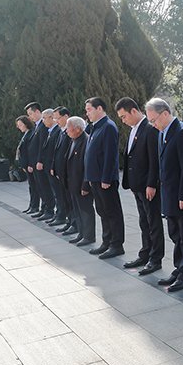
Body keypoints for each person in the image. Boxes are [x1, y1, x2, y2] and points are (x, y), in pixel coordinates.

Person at [148, 98, 183, 291]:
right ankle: (179, 268)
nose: (153, 124)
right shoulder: (162, 132)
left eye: (154, 120)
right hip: (169, 194)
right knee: (175, 235)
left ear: (165, 113)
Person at [116, 97, 164, 276]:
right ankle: (145, 254)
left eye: (124, 116)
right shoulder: (134, 129)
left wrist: (152, 183)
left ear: (134, 111)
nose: (123, 120)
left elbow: (154, 160)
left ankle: (155, 258)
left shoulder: (150, 129)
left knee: (153, 222)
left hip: (147, 186)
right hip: (137, 185)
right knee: (144, 221)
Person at [84, 97, 125, 259]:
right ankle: (106, 241)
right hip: (95, 178)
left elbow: (110, 155)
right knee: (102, 211)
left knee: (112, 212)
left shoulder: (108, 127)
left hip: (105, 180)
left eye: (89, 110)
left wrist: (106, 178)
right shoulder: (95, 127)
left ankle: (116, 245)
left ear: (99, 108)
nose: (87, 113)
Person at [63, 116, 96, 246]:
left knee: (86, 211)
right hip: (73, 183)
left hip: (81, 184)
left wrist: (85, 185)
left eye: (68, 128)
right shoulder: (74, 140)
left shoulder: (85, 141)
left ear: (77, 129)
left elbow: (87, 166)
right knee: (77, 210)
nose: (66, 131)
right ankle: (81, 233)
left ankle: (88, 236)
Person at [51, 107, 73, 231]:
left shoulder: (71, 132)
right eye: (54, 118)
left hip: (68, 173)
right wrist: (54, 167)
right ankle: (69, 222)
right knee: (65, 198)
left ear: (66, 117)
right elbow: (56, 152)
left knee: (71, 200)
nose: (56, 121)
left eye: (57, 118)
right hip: (61, 172)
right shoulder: (61, 132)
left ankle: (74, 224)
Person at [24, 102, 46, 217]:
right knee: (40, 188)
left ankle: (48, 210)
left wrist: (40, 160)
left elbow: (42, 145)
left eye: (31, 114)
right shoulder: (37, 126)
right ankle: (43, 209)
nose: (30, 117)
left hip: (39, 163)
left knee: (44, 188)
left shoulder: (43, 125)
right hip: (34, 163)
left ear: (37, 111)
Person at [36, 109, 58, 222]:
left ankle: (59, 215)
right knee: (52, 190)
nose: (43, 121)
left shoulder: (56, 131)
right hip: (48, 165)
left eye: (44, 118)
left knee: (57, 193)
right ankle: (57, 214)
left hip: (52, 166)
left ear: (51, 117)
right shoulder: (50, 131)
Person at [15, 116, 36, 212]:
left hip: (29, 165)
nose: (19, 127)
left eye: (20, 125)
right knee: (31, 186)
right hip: (26, 164)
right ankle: (32, 205)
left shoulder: (31, 133)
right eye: (18, 125)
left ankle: (35, 206)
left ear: (26, 124)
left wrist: (30, 164)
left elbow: (31, 151)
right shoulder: (26, 134)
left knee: (34, 187)